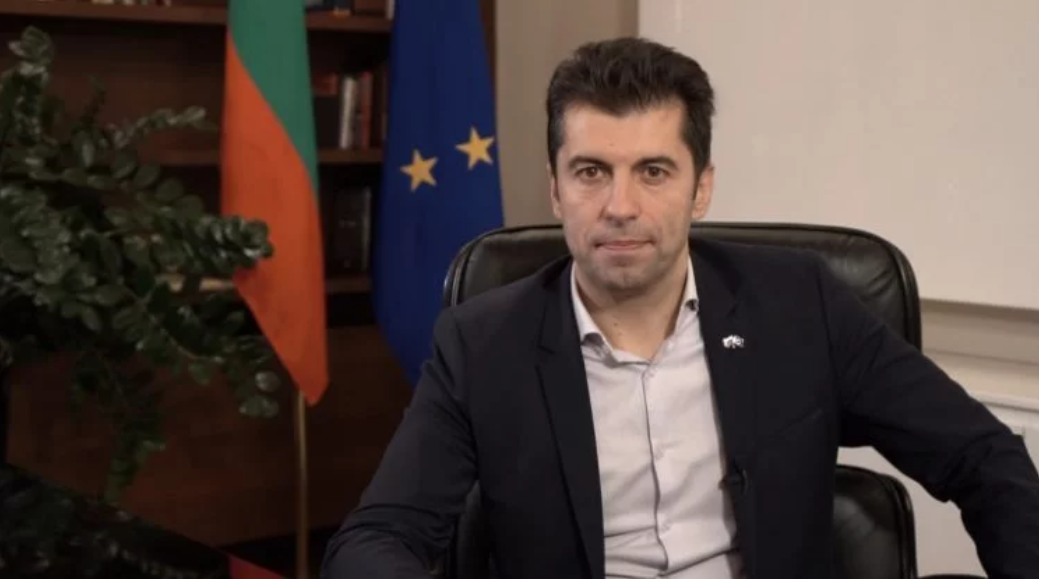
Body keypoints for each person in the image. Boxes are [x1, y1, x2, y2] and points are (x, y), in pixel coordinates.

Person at [322, 37, 1039, 579]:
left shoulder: (801, 305)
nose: (620, 205)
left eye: (654, 171)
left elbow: (984, 458)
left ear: (701, 189)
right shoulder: (482, 343)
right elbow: (374, 540)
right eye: (591, 171)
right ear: (555, 190)